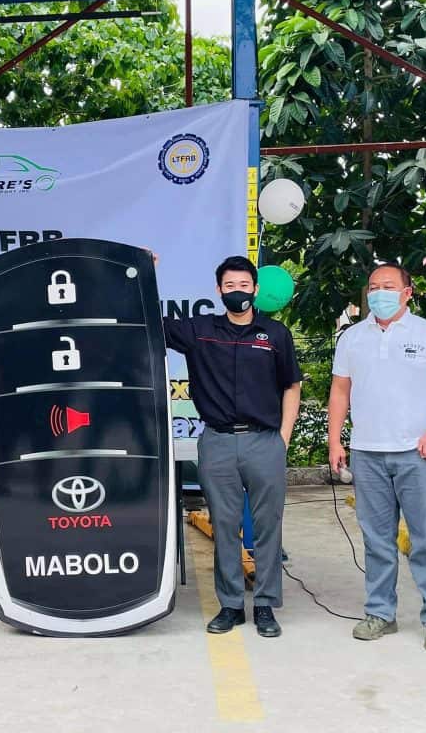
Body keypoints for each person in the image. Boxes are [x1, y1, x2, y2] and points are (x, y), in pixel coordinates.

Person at [327, 262, 426, 651]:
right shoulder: (352, 338)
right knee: (377, 541)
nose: (380, 293)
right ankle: (380, 613)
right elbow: (340, 391)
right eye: (374, 286)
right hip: (367, 453)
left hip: (417, 455)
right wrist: (335, 441)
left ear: (407, 293)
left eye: (389, 286)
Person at [163, 255, 302, 637]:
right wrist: (144, 269)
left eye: (243, 285)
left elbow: (292, 386)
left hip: (264, 441)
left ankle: (265, 605)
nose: (237, 292)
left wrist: (283, 438)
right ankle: (230, 605)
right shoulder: (200, 330)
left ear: (255, 289)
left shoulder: (275, 334)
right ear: (218, 290)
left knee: (267, 525)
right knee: (224, 525)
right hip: (218, 442)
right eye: (229, 286)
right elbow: (149, 321)